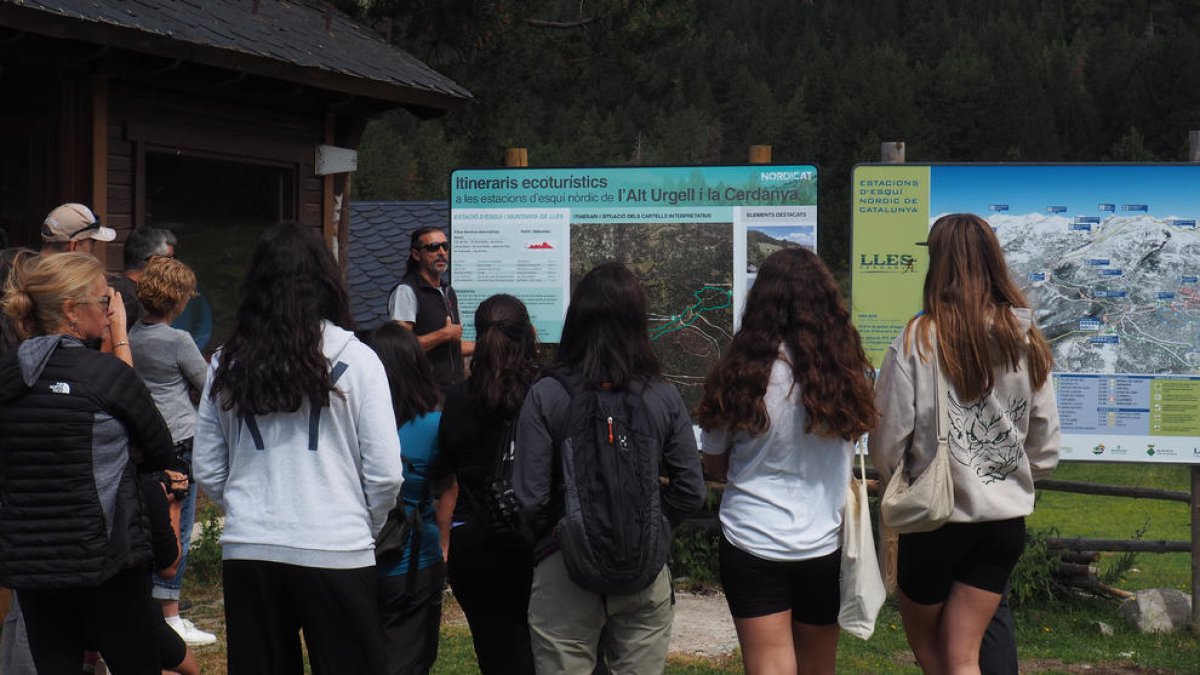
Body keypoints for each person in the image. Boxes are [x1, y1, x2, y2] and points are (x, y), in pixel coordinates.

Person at [194, 222, 404, 675]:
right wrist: (360, 521)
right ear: (325, 281)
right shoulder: (360, 360)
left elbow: (208, 467)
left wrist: (249, 507)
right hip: (337, 546)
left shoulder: (225, 362)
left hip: (250, 550)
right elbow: (386, 473)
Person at [870, 213, 1061, 675]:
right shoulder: (1026, 337)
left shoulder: (918, 339)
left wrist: (902, 477)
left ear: (938, 264)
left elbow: (887, 439)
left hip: (935, 518)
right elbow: (1045, 444)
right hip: (1003, 520)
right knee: (964, 655)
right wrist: (1008, 473)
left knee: (935, 656)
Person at [514, 262, 706, 674]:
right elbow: (691, 490)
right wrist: (649, 521)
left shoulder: (546, 394)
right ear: (638, 321)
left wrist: (562, 531)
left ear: (576, 320)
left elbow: (531, 499)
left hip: (563, 569)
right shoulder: (663, 395)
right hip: (645, 569)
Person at [695, 248, 878, 675]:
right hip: (824, 542)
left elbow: (715, 464)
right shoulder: (847, 374)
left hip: (750, 537)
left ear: (760, 302)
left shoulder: (738, 373)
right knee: (818, 667)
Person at [0, 251, 179, 673]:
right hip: (106, 558)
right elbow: (160, 451)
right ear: (71, 311)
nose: (109, 308)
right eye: (102, 301)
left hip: (32, 562)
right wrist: (120, 340)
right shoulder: (105, 375)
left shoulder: (8, 375)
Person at [436, 294, 540, 674]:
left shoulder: (458, 399)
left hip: (475, 546)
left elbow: (447, 472)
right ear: (529, 334)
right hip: (534, 543)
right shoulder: (543, 393)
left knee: (497, 658)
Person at [128, 256, 216, 647]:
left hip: (143, 439)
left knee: (148, 522)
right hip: (181, 438)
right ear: (179, 299)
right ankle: (171, 615)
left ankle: (145, 606)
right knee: (179, 524)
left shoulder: (128, 336)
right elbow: (208, 383)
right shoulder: (178, 340)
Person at [364, 323, 445, 675]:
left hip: (354, 559)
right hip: (413, 561)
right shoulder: (434, 424)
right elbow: (449, 486)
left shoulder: (351, 424)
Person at [388, 226, 474, 391]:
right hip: (423, 394)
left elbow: (454, 348)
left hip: (452, 391)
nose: (441, 252)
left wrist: (490, 343)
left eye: (445, 246)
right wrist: (444, 334)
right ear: (416, 254)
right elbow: (400, 348)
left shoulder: (449, 291)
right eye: (433, 247)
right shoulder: (406, 291)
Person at [111, 226, 178, 326]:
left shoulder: (121, 288)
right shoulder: (125, 297)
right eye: (171, 258)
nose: (174, 264)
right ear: (154, 261)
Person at [38, 203, 116, 256]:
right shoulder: (90, 280)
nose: (92, 256)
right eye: (92, 243)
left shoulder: (28, 275)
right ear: (73, 246)